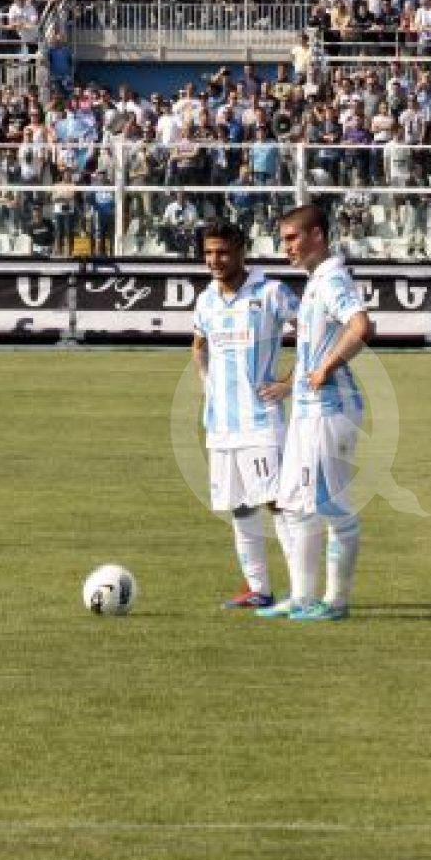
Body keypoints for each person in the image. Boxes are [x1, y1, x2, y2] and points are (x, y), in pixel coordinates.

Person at [259, 204, 372, 623]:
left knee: (332, 507)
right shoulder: (315, 282)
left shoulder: (332, 279)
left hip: (331, 409)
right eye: (284, 239)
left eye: (292, 238)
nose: (286, 247)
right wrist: (294, 382)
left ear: (318, 235)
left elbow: (361, 326)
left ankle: (336, 602)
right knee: (293, 504)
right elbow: (316, 348)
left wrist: (329, 367)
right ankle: (303, 597)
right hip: (308, 411)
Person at [191, 221, 298, 609]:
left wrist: (290, 382)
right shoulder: (206, 299)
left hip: (261, 422)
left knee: (277, 503)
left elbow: (315, 333)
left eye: (222, 252)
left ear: (241, 251)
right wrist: (207, 383)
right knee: (239, 506)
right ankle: (259, 589)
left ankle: (302, 592)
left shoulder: (270, 292)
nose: (214, 260)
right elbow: (198, 344)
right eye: (208, 253)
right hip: (221, 425)